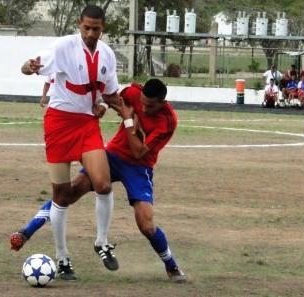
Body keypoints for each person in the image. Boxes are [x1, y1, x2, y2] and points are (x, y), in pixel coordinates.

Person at [10, 79, 187, 283]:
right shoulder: (133, 92)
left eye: (150, 106)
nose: (145, 108)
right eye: (143, 103)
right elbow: (112, 97)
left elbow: (139, 152)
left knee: (146, 224)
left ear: (163, 102)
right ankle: (26, 232)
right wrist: (105, 106)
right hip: (112, 156)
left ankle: (171, 266)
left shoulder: (168, 121)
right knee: (69, 192)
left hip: (139, 168)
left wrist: (128, 120)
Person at [20, 5, 122, 280]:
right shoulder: (63, 46)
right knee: (61, 195)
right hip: (58, 125)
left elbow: (111, 94)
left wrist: (124, 115)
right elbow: (28, 67)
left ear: (103, 28)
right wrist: (29, 67)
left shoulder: (108, 55)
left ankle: (101, 241)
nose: (90, 33)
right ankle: (62, 257)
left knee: (102, 183)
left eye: (96, 29)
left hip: (87, 125)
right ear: (79, 24)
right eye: (86, 27)